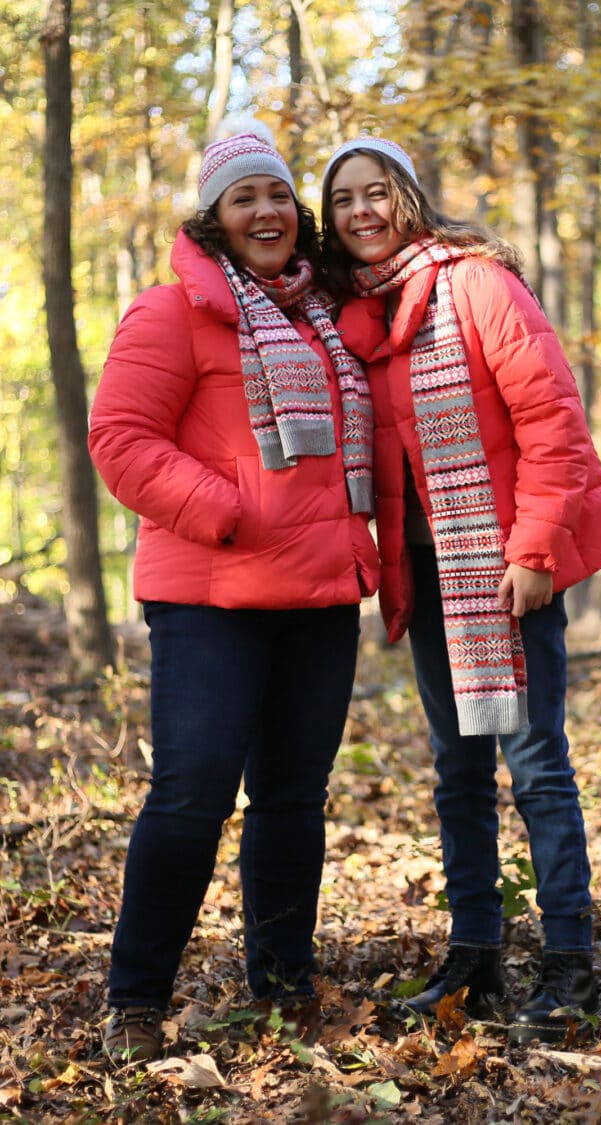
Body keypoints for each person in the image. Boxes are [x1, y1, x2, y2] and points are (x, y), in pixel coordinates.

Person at [320, 136, 601, 1046]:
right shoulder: (359, 317)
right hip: (427, 574)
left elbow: (553, 421)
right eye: (343, 200)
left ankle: (568, 958)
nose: (361, 212)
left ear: (409, 196)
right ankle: (476, 953)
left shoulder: (477, 285)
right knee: (457, 772)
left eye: (376, 192)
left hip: (505, 567)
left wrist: (535, 549)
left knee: (536, 767)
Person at [88, 120, 379, 1063]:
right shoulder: (171, 312)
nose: (266, 211)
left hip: (319, 596)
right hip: (210, 594)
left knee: (294, 797)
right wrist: (227, 510)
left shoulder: (322, 316)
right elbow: (122, 439)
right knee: (191, 794)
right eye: (243, 196)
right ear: (215, 216)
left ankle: (284, 988)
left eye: (278, 197)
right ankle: (135, 998)